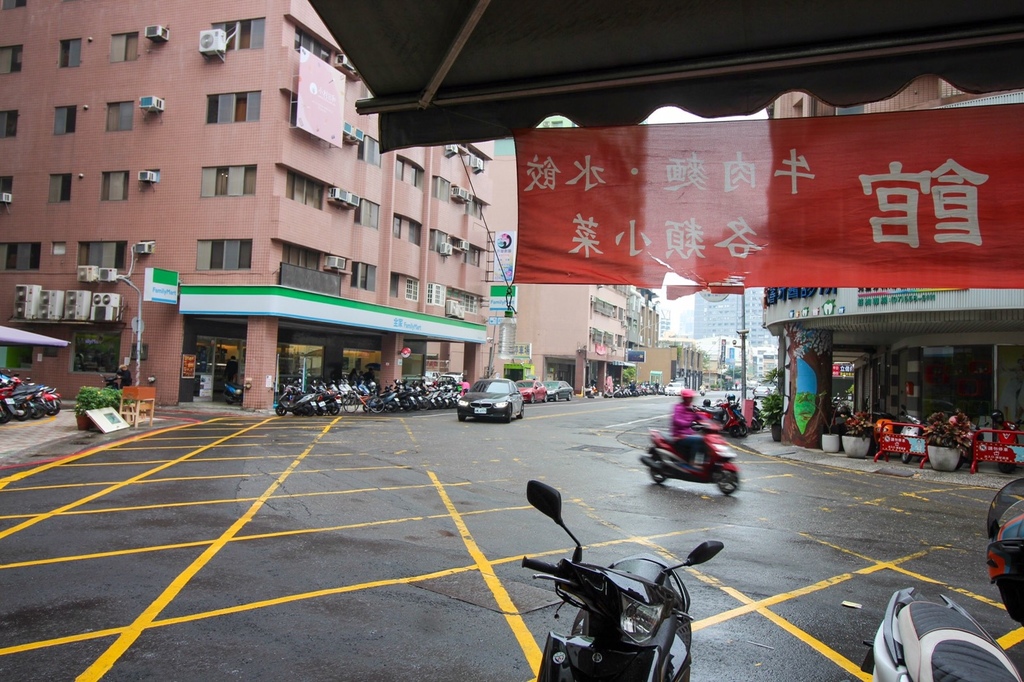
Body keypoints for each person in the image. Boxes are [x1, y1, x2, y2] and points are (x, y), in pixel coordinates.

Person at [670, 389, 706, 463]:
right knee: (700, 440)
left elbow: (699, 416)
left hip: (688, 434)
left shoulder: (690, 407)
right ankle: (692, 462)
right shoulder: (678, 407)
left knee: (707, 441)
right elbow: (676, 420)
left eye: (691, 397)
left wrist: (710, 423)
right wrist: (688, 423)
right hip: (679, 435)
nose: (691, 399)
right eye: (689, 398)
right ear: (684, 398)